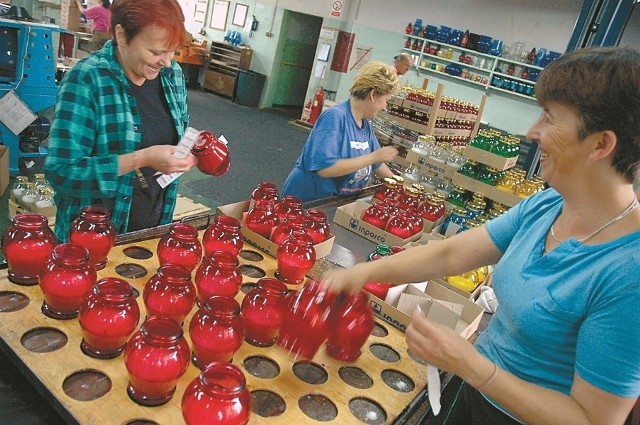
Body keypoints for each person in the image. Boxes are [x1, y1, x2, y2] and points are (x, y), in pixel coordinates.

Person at [322, 47, 640, 425]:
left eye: (549, 118)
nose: (531, 132)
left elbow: (594, 420)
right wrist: (361, 273)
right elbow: (450, 254)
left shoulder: (628, 272)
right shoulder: (547, 206)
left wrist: (474, 367)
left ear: (601, 144)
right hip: (473, 390)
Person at [45, 0, 196, 243]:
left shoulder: (172, 75)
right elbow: (62, 172)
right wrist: (141, 158)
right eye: (156, 52)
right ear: (121, 35)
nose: (166, 61)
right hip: (92, 239)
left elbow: (177, 134)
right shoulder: (87, 79)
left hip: (153, 228)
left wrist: (190, 153)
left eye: (172, 51)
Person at [281, 61, 399, 203]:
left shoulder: (365, 125)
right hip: (307, 201)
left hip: (332, 203)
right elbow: (325, 168)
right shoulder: (335, 117)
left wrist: (398, 186)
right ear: (373, 95)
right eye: (386, 100)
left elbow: (377, 164)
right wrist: (373, 158)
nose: (385, 107)